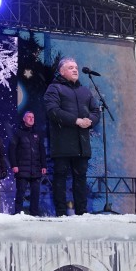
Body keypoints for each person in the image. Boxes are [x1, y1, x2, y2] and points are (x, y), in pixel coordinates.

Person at [44, 58, 100, 215]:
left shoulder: (85, 91)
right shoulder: (54, 88)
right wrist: (76, 120)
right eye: (70, 67)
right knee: (60, 178)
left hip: (82, 144)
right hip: (62, 143)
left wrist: (90, 121)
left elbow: (96, 111)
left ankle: (82, 212)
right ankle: (61, 212)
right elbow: (53, 111)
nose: (75, 70)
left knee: (80, 178)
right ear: (62, 71)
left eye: (76, 67)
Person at [9, 111, 47, 216]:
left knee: (35, 193)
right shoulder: (17, 132)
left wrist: (44, 165)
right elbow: (11, 150)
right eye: (29, 117)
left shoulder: (37, 133)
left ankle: (34, 213)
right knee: (20, 192)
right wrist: (14, 165)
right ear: (24, 119)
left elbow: (42, 150)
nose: (31, 119)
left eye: (32, 117)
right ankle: (17, 213)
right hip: (22, 169)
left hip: (36, 168)